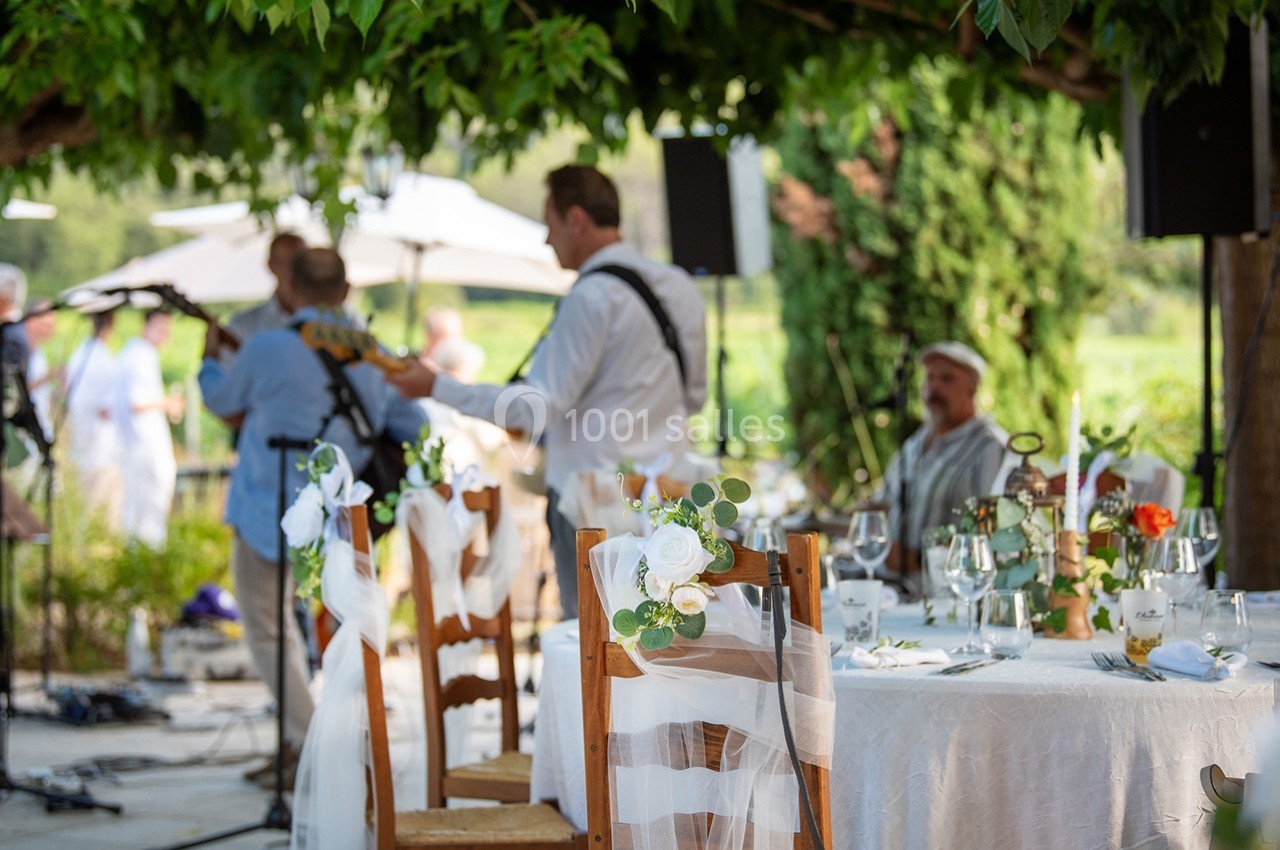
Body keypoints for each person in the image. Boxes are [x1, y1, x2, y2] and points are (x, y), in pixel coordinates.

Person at [389, 164, 708, 618]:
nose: (546, 239)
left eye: (549, 223)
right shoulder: (680, 285)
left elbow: (537, 407)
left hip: (594, 505)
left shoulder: (591, 296)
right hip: (671, 500)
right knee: (665, 641)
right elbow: (693, 396)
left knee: (594, 650)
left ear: (575, 219)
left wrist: (436, 384)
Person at [199, 247, 427, 788]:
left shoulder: (267, 346)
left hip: (265, 500)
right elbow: (412, 422)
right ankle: (349, 739)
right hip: (342, 507)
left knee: (268, 626)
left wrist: (209, 360)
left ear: (292, 291)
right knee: (347, 626)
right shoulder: (373, 353)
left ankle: (307, 739)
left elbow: (223, 401)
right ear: (346, 293)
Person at [876, 341, 1009, 574]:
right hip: (893, 590)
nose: (934, 387)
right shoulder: (916, 442)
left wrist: (915, 560)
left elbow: (991, 538)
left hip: (949, 597)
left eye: (947, 379)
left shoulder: (990, 447)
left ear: (973, 387)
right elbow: (884, 502)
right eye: (929, 378)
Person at [115, 309, 182, 547]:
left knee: (141, 510)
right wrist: (168, 403)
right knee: (148, 509)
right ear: (147, 326)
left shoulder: (138, 354)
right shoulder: (140, 355)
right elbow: (137, 403)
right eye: (161, 328)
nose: (165, 335)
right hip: (144, 446)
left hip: (138, 445)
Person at [66, 309, 123, 526]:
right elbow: (106, 408)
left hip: (80, 442)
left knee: (84, 510)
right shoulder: (105, 360)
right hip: (100, 446)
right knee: (102, 513)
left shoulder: (79, 354)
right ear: (111, 326)